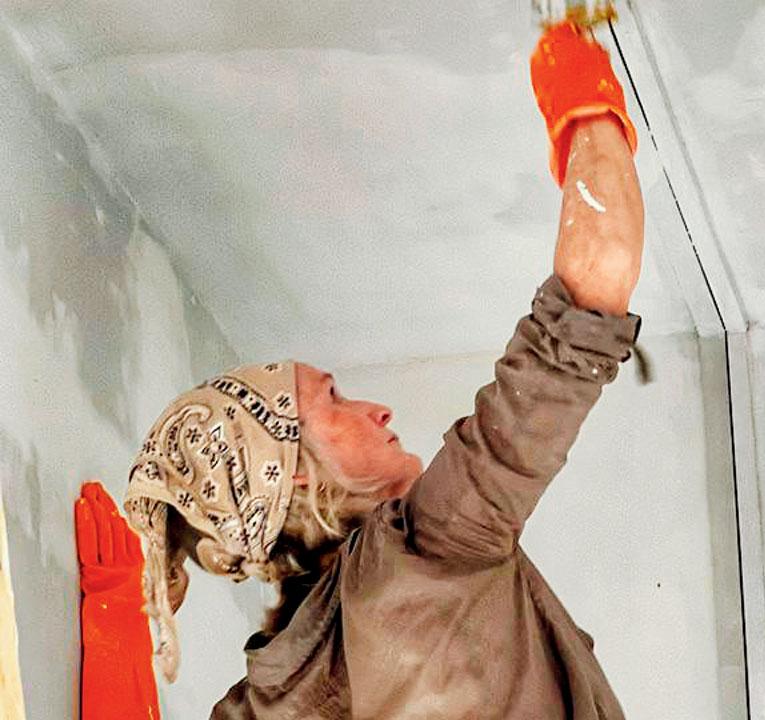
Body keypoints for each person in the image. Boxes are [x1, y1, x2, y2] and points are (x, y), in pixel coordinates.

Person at [82, 19, 644, 719]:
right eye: (333, 398)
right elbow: (588, 299)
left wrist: (112, 637)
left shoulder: (270, 700)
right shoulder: (429, 546)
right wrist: (583, 98)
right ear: (293, 471)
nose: (376, 410)